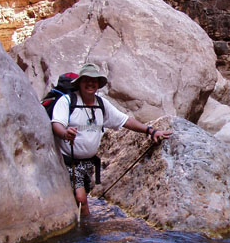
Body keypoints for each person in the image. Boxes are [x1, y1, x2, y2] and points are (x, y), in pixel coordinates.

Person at [51, 63, 172, 216]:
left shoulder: (102, 104)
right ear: (79, 83)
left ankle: (82, 225)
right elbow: (57, 124)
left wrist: (151, 131)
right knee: (81, 199)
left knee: (82, 198)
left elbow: (125, 121)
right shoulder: (67, 102)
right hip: (69, 161)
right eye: (86, 80)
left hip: (88, 163)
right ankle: (87, 228)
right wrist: (65, 133)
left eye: (93, 80)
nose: (90, 83)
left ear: (98, 84)